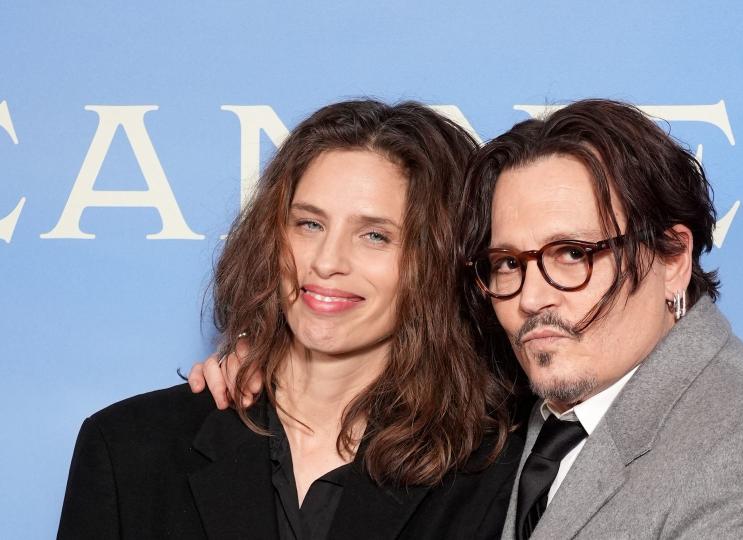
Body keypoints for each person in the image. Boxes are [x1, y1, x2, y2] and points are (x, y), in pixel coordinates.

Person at [57, 100, 523, 540]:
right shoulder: (129, 447)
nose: (326, 261)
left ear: (438, 262)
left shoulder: (497, 471)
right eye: (309, 224)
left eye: (375, 235)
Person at [456, 98, 743, 539]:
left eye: (572, 253)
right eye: (508, 263)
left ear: (673, 258)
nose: (531, 298)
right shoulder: (506, 421)